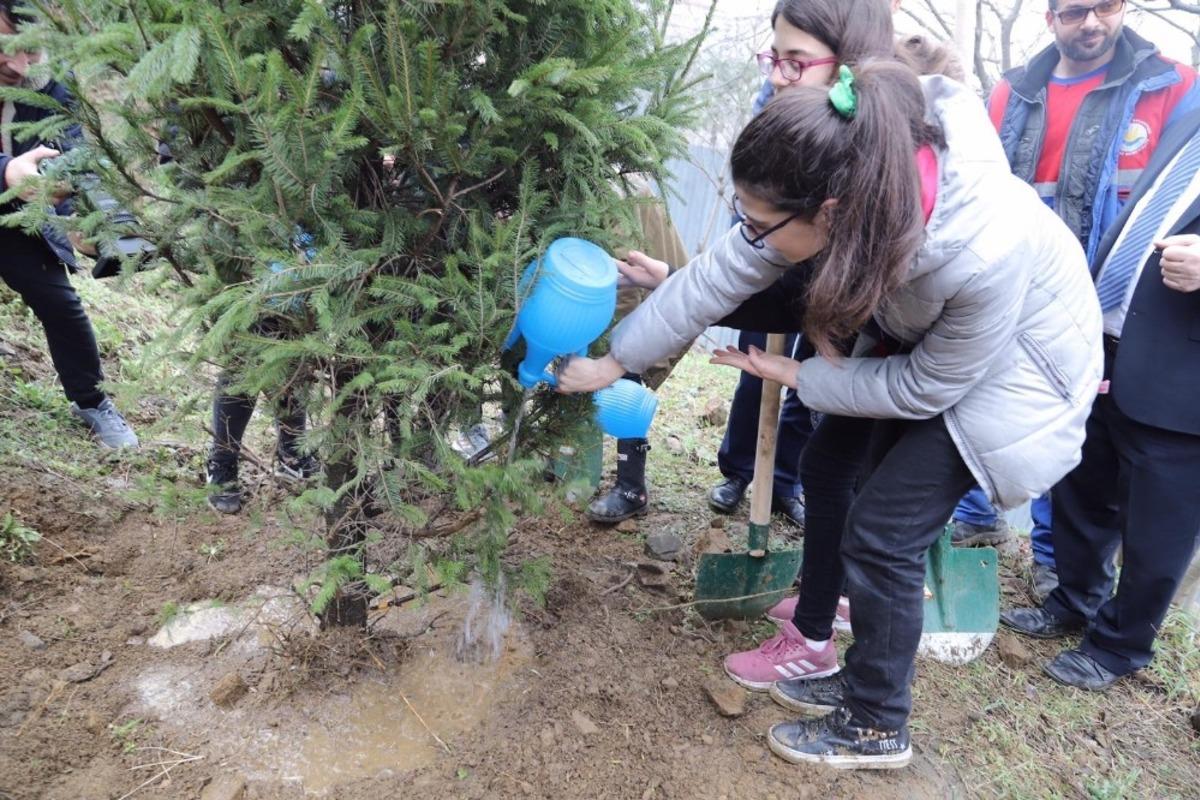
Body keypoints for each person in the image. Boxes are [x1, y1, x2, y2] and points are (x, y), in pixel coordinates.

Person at [559, 61, 1101, 768]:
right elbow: (719, 278)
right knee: (849, 482)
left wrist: (801, 375)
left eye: (761, 224)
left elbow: (924, 390)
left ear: (833, 215)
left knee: (883, 534)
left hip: (1018, 381)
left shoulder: (976, 248)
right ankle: (862, 675)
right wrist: (614, 362)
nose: (750, 238)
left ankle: (877, 723)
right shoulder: (847, 184)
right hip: (931, 349)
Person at [950, 0, 1200, 601]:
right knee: (988, 395)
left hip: (1111, 299)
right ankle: (976, 519)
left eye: (1105, 6)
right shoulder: (1012, 93)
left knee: (1074, 429)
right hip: (1017, 282)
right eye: (1073, 11)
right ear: (1049, 18)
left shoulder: (1173, 86)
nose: (1091, 22)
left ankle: (1052, 561)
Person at [999, 108, 1200, 691]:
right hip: (1107, 343)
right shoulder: (1189, 122)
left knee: (1158, 526)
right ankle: (1075, 600)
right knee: (1083, 487)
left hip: (1181, 375)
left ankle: (1120, 645)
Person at [0, 2, 138, 448]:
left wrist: (83, 218)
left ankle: (92, 402)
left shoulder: (51, 84)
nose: (18, 66)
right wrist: (7, 171)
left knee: (59, 304)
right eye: (4, 49)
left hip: (17, 213)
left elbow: (71, 153)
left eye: (30, 51)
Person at [585, 176, 691, 524]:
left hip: (662, 293)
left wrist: (612, 357)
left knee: (625, 371)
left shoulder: (616, 188)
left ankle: (632, 488)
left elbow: (623, 286)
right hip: (638, 287)